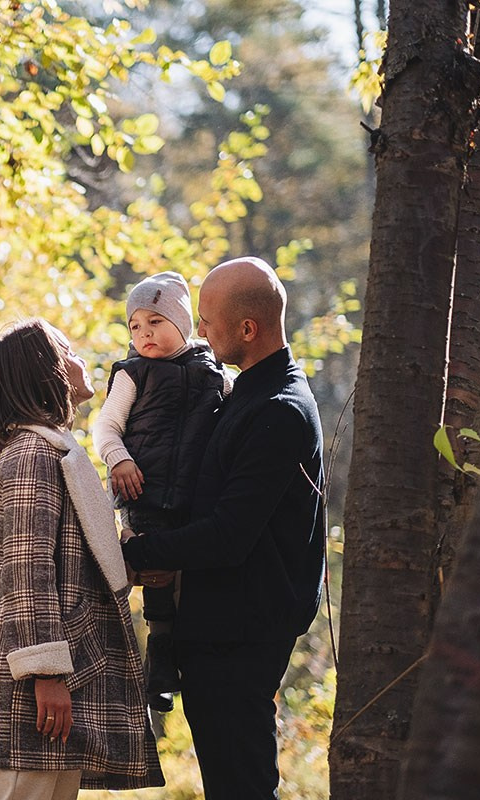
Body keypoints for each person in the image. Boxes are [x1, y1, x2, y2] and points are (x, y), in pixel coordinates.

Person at [119, 257, 326, 800]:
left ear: (247, 329)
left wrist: (133, 554)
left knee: (243, 785)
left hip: (242, 634)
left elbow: (229, 533)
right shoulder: (243, 393)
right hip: (217, 629)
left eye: (206, 320)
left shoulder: (280, 410)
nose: (200, 331)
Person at [0, 319, 164, 800]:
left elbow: (74, 558)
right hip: (34, 690)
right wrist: (44, 673)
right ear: (46, 369)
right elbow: (27, 569)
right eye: (67, 350)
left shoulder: (55, 452)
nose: (80, 360)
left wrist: (133, 565)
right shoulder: (33, 452)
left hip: (62, 684)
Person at [91, 271, 230, 712]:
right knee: (156, 576)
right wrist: (119, 460)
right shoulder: (132, 374)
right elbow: (106, 427)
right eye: (135, 326)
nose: (143, 334)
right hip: (144, 493)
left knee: (187, 581)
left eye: (155, 322)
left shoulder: (213, 373)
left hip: (194, 498)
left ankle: (182, 657)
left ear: (183, 323)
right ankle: (159, 663)